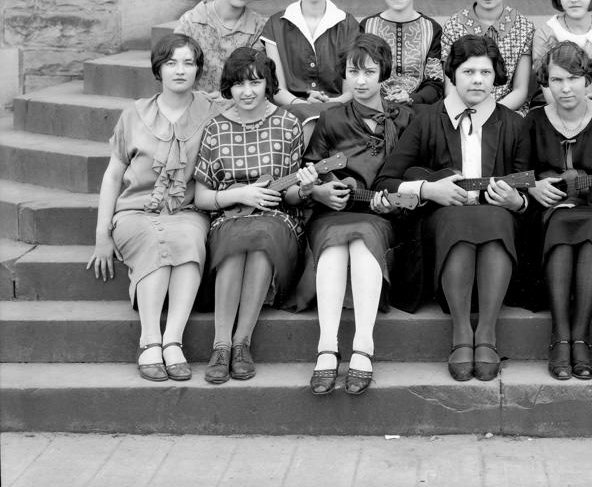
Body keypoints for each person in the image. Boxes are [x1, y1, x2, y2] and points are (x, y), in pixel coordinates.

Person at [375, 34, 531, 381]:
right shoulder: (428, 119)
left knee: (494, 218)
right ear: (452, 74)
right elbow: (386, 181)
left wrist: (516, 200)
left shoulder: (515, 124)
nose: (477, 80)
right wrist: (429, 189)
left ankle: (487, 332)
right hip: (442, 225)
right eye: (468, 71)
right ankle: (462, 331)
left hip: (498, 224)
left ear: (496, 77)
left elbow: (528, 189)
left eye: (486, 73)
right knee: (458, 222)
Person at [87, 34, 218, 382]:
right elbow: (113, 176)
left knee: (189, 240)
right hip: (135, 211)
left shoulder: (211, 109)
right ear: (158, 69)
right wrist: (102, 235)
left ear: (198, 70)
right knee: (152, 241)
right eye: (172, 62)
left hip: (186, 210)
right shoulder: (134, 114)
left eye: (189, 63)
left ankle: (173, 340)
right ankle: (150, 339)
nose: (180, 70)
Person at [293, 34, 414, 396]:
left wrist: (395, 200)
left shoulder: (405, 118)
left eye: (369, 72)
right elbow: (311, 167)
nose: (360, 81)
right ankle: (327, 347)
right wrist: (319, 190)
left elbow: (414, 172)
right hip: (332, 213)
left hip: (382, 216)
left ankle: (363, 345)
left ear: (384, 74)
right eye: (352, 72)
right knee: (333, 249)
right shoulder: (331, 118)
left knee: (363, 242)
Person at [194, 47, 318, 384]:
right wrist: (239, 194)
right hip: (228, 216)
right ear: (228, 88)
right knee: (237, 241)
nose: (247, 91)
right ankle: (220, 345)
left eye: (255, 82)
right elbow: (202, 197)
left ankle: (241, 343)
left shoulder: (288, 123)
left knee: (262, 237)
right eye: (238, 84)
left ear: (268, 83)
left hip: (279, 218)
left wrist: (305, 187)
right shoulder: (215, 128)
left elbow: (290, 194)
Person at [526, 42, 592, 380]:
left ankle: (581, 336)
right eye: (557, 80)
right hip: (547, 212)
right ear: (546, 81)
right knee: (560, 221)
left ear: (588, 78)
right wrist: (531, 186)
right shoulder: (532, 120)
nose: (566, 88)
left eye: (573, 78)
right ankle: (560, 336)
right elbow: (515, 172)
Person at [260, 0, 360, 134]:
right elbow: (277, 89)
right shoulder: (276, 24)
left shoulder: (348, 24)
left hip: (339, 108)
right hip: (292, 110)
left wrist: (331, 103)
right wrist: (302, 103)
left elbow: (351, 90)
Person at [175, 0, 274, 96]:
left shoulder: (260, 28)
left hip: (241, 110)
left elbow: (256, 81)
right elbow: (176, 74)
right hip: (195, 108)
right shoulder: (191, 22)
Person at [441, 0, 535, 113]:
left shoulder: (523, 27)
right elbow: (451, 88)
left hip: (507, 111)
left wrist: (490, 113)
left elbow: (520, 90)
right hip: (462, 110)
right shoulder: (454, 26)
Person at [360, 0, 444, 106]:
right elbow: (359, 74)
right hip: (373, 108)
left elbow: (435, 82)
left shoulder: (431, 29)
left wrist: (412, 98)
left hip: (418, 108)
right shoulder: (367, 26)